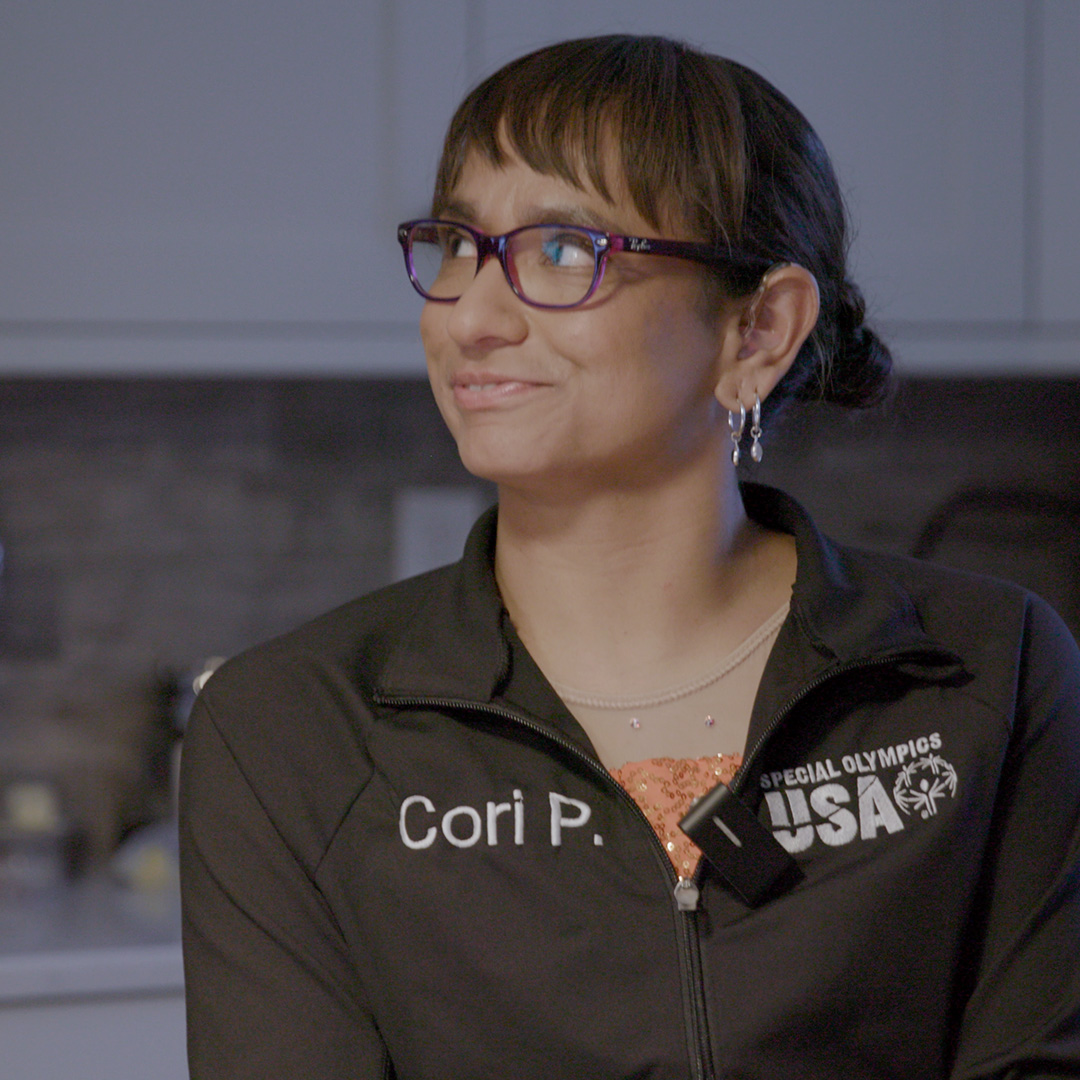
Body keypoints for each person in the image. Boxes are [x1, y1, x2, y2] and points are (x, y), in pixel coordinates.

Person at [179, 34, 1080, 1080]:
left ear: (758, 331)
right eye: (459, 246)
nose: (470, 315)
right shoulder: (288, 730)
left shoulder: (988, 671)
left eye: (564, 251)